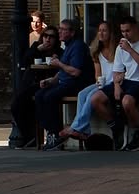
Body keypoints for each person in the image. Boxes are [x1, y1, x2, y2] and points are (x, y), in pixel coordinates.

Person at [89, 14, 139, 151]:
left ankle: (138, 131)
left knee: (127, 101)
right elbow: (117, 70)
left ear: (137, 29)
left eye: (128, 31)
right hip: (126, 80)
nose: (125, 34)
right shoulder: (121, 46)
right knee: (95, 99)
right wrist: (116, 87)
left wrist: (130, 50)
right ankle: (116, 126)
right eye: (122, 31)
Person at [34, 18, 94, 150]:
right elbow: (62, 72)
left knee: (50, 96)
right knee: (39, 95)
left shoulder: (78, 47)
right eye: (59, 29)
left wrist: (59, 63)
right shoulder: (67, 47)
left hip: (78, 84)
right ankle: (50, 131)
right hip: (65, 82)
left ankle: (57, 134)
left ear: (72, 32)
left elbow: (76, 72)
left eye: (63, 29)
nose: (59, 32)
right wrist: (50, 81)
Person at [56, 19, 118, 145]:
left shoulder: (117, 50)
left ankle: (76, 127)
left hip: (114, 83)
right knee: (82, 94)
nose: (101, 33)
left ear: (110, 33)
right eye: (99, 31)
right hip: (103, 82)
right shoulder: (97, 50)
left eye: (104, 31)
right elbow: (97, 73)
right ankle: (85, 130)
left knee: (90, 96)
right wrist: (99, 82)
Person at [8, 26, 60, 148]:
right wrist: (37, 49)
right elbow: (25, 61)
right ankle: (29, 135)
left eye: (51, 37)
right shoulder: (36, 47)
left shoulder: (58, 52)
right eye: (46, 36)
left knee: (38, 103)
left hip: (48, 82)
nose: (48, 39)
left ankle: (42, 135)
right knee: (17, 105)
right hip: (34, 83)